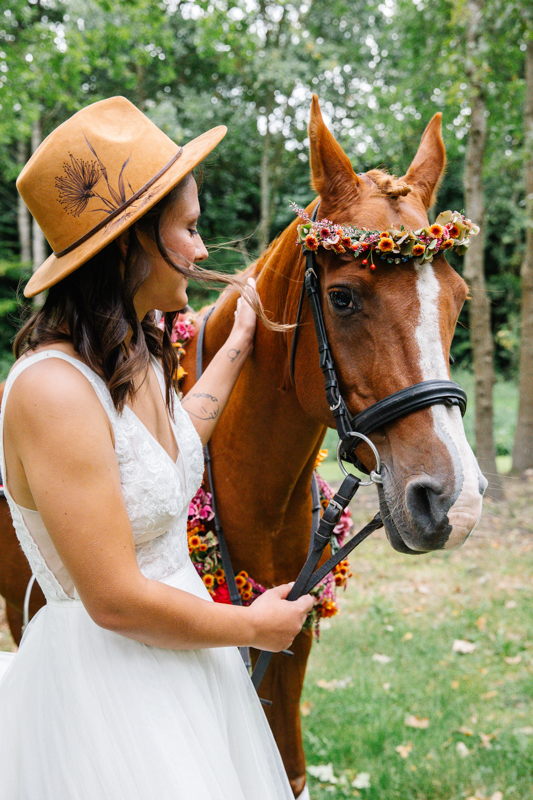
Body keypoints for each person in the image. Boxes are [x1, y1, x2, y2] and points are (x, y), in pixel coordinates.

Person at [0, 96, 314, 799]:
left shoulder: (135, 353)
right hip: (110, 695)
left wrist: (234, 348)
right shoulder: (52, 392)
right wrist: (251, 625)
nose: (203, 251)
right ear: (128, 244)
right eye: (190, 229)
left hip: (182, 664)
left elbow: (165, 451)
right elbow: (111, 599)